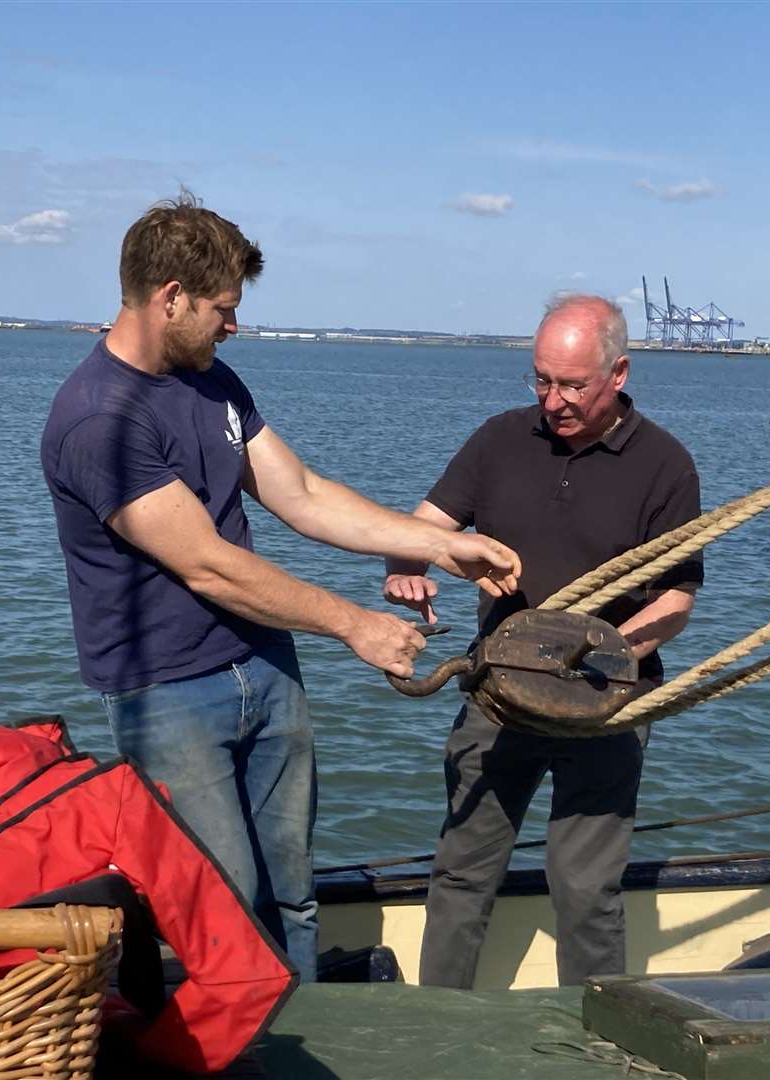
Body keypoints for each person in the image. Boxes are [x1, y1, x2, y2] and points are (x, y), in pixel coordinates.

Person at [40, 192, 521, 982]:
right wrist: (355, 626)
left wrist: (439, 544)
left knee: (292, 894)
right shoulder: (99, 420)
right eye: (224, 309)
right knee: (221, 907)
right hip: (167, 694)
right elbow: (208, 564)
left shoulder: (214, 381)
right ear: (170, 300)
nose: (235, 324)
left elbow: (299, 490)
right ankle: (245, 1056)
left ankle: (301, 1034)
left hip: (263, 667)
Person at [384, 294, 702, 988]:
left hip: (606, 710)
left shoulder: (665, 465)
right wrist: (406, 564)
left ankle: (593, 1035)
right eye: (541, 380)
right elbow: (429, 523)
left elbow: (676, 600)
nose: (552, 399)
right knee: (462, 871)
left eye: (572, 385)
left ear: (617, 374)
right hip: (496, 700)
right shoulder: (500, 439)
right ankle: (439, 1026)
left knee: (585, 889)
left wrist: (609, 655)